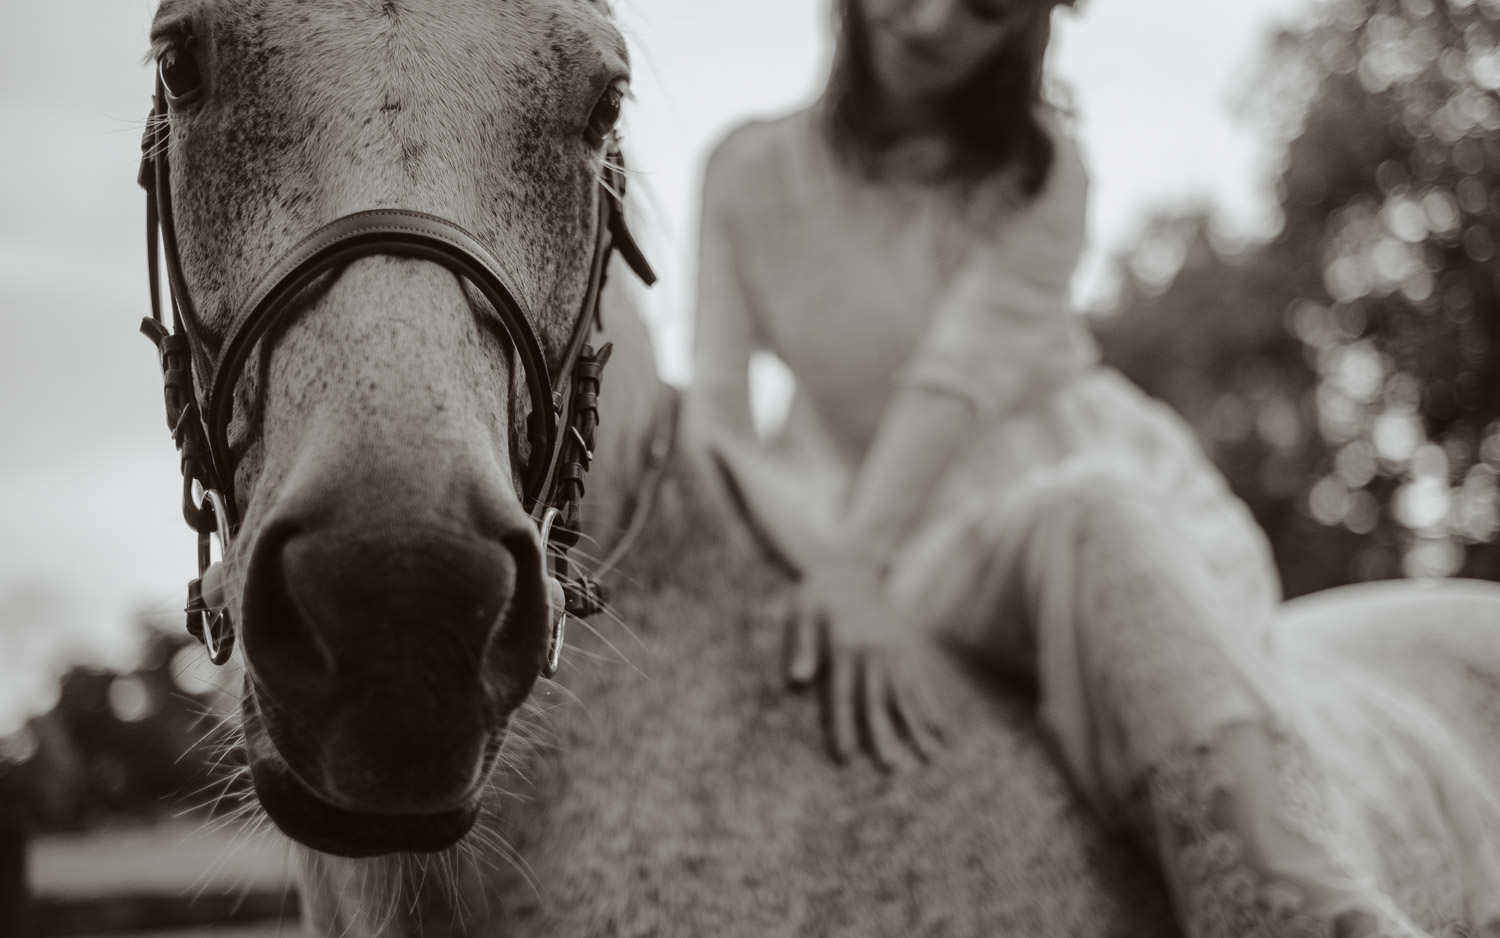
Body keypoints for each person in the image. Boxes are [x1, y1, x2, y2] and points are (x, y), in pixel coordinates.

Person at [685, 0, 1500, 935]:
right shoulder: (745, 171)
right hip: (854, 530)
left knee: (1088, 521)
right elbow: (716, 417)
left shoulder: (1040, 174)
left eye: (986, 7)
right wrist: (801, 563)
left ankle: (1286, 894)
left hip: (1048, 495)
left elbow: (951, 385)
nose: (935, 22)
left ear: (1021, 31)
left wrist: (852, 563)